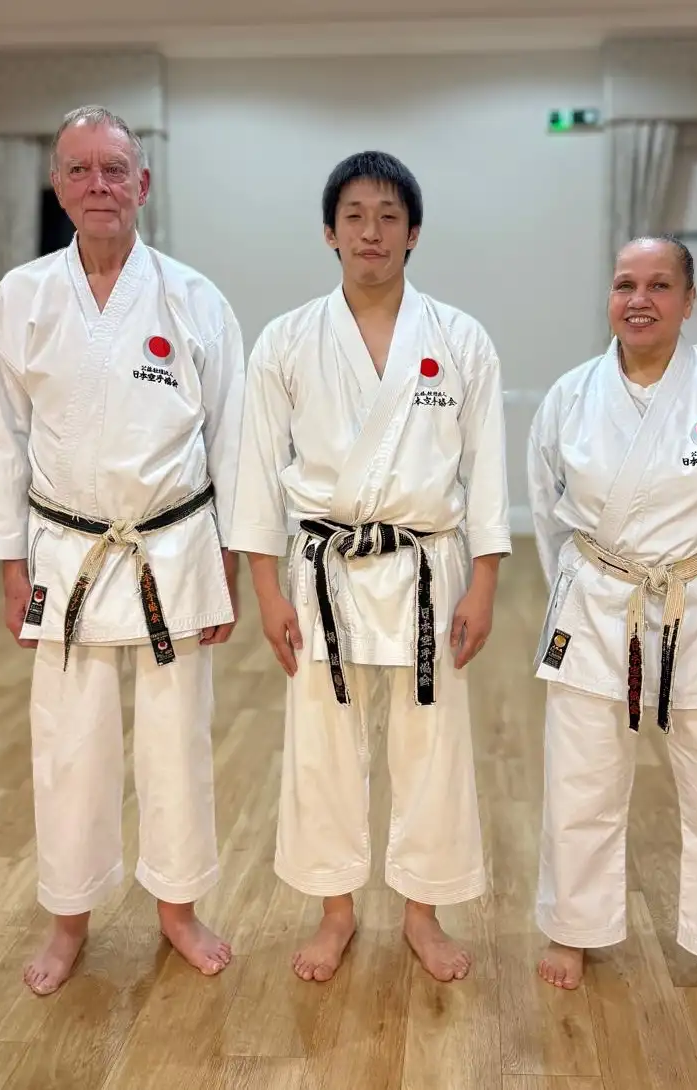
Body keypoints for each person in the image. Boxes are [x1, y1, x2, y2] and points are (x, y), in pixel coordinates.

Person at [0, 105, 245, 996]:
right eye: (81, 170)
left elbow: (232, 440)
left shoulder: (195, 299)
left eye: (114, 169)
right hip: (66, 552)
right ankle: (68, 917)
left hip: (174, 548)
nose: (99, 185)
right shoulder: (22, 297)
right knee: (69, 743)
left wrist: (232, 562)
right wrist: (10, 564)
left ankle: (178, 909)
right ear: (58, 185)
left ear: (144, 184)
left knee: (178, 742)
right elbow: (2, 440)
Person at [229, 151, 510, 984]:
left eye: (389, 216)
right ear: (329, 232)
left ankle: (423, 914)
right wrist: (267, 589)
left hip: (428, 565)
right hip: (323, 567)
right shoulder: (285, 340)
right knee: (322, 744)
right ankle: (336, 912)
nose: (371, 232)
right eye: (354, 216)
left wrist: (486, 582)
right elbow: (255, 471)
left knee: (432, 744)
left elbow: (487, 471)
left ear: (414, 233)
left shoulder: (460, 339)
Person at [527, 235, 697, 1006]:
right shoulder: (571, 396)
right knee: (581, 777)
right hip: (596, 597)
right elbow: (547, 511)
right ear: (609, 297)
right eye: (624, 284)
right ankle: (573, 927)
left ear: (688, 298)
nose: (638, 299)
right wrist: (587, 585)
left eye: (657, 284)